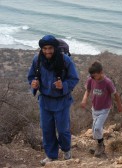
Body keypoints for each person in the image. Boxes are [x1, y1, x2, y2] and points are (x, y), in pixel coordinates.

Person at [27, 35, 79, 166]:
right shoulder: (37, 60)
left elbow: (74, 78)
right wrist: (33, 83)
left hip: (61, 101)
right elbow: (31, 76)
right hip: (45, 101)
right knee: (47, 130)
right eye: (45, 48)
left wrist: (64, 86)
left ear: (55, 48)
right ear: (42, 49)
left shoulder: (65, 60)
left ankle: (66, 150)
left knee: (63, 130)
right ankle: (51, 156)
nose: (48, 51)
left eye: (50, 48)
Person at [81, 61, 122, 157]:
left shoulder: (107, 82)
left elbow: (115, 94)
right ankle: (99, 145)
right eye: (92, 76)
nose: (94, 78)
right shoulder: (90, 79)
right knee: (94, 130)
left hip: (104, 109)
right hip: (94, 108)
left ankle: (100, 146)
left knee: (97, 128)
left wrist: (119, 104)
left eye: (95, 75)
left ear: (101, 72)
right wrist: (84, 100)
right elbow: (87, 90)